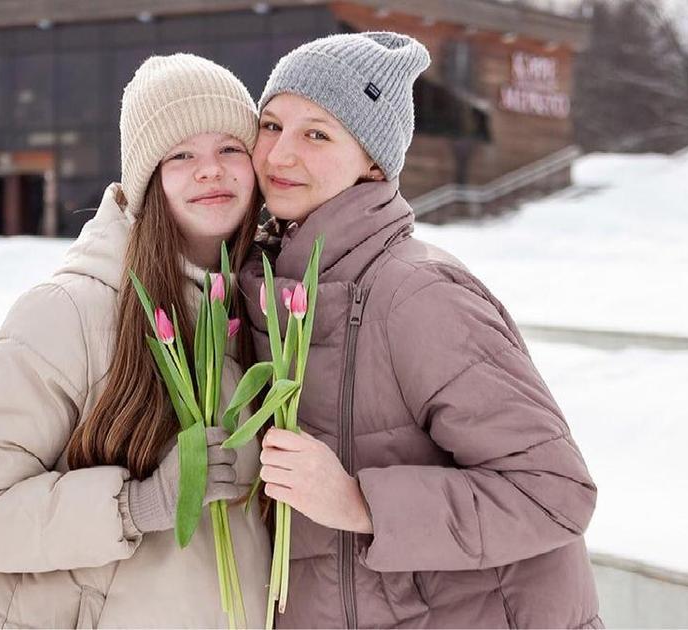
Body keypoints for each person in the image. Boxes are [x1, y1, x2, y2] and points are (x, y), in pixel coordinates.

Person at [240, 32, 602, 628]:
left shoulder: (418, 295)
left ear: (374, 162)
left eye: (317, 134)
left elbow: (554, 493)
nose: (279, 155)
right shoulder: (263, 289)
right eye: (272, 125)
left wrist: (360, 503)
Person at [0, 53, 271, 628]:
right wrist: (137, 506)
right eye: (181, 155)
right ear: (145, 177)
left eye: (230, 148)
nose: (210, 170)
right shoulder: (67, 312)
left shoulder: (266, 314)